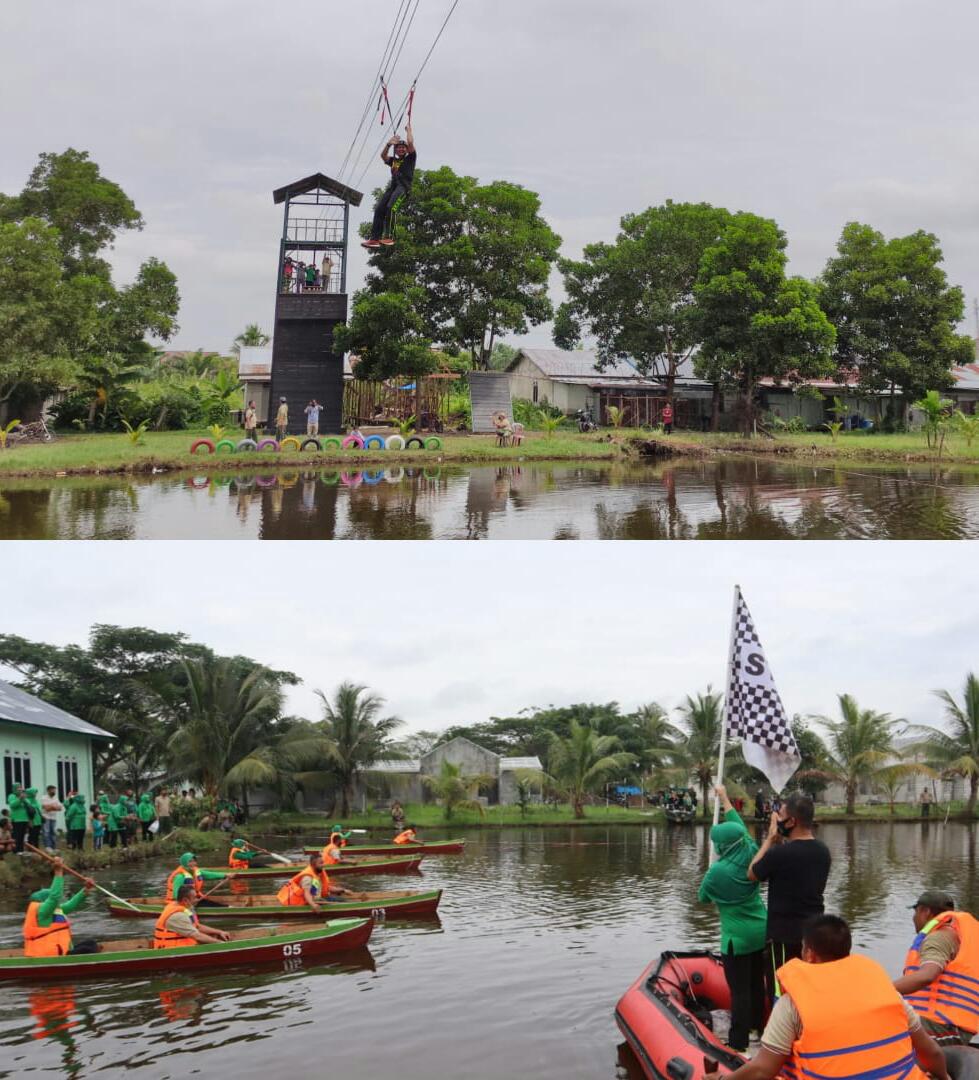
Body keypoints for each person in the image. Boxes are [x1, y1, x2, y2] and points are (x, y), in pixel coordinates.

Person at [704, 915, 948, 1080]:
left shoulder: (793, 1004)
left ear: (808, 953)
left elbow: (762, 1070)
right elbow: (933, 1053)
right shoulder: (887, 992)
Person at [697, 785, 767, 1052]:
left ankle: (739, 1044)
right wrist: (724, 796)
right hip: (761, 931)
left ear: (722, 846)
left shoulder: (717, 873)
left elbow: (703, 898)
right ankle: (760, 1031)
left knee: (740, 992)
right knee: (756, 987)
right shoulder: (751, 850)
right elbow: (736, 824)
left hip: (736, 940)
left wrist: (709, 872)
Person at [748, 791, 832, 1006]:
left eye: (781, 814)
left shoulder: (780, 854)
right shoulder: (823, 852)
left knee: (781, 990)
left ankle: (781, 1036)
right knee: (808, 990)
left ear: (792, 821)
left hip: (783, 936)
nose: (777, 818)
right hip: (813, 934)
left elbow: (752, 874)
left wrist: (770, 839)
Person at [894, 889, 979, 1045]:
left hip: (938, 1025)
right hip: (957, 1028)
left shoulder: (938, 938)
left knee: (872, 1025)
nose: (913, 918)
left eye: (915, 912)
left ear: (925, 912)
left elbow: (927, 975)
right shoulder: (962, 937)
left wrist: (882, 991)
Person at [23, 857, 99, 957]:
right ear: (45, 901)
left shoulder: (54, 909)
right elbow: (54, 897)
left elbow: (71, 905)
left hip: (61, 950)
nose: (58, 901)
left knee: (91, 943)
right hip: (50, 954)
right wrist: (58, 872)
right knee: (89, 949)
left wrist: (86, 889)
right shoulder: (42, 911)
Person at [363, 122, 416, 249]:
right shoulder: (394, 161)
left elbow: (410, 143)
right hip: (393, 188)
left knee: (391, 207)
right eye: (398, 148)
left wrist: (409, 130)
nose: (401, 149)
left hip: (403, 188)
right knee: (379, 209)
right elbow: (383, 156)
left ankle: (390, 237)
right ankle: (375, 239)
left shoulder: (410, 158)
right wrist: (388, 144)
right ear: (396, 150)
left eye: (403, 148)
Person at [153, 882, 231, 949]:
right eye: (194, 898)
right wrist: (222, 944)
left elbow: (197, 926)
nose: (197, 900)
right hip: (172, 950)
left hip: (185, 945)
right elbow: (197, 936)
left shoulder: (184, 907)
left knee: (212, 937)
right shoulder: (178, 916)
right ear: (185, 900)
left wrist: (220, 932)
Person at [276, 851, 350, 911]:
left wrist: (343, 890)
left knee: (342, 900)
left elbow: (327, 888)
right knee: (342, 903)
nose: (323, 865)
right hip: (309, 901)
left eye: (323, 862)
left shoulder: (318, 873)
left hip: (317, 898)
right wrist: (313, 905)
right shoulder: (307, 877)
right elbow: (306, 893)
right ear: (313, 865)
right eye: (320, 863)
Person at [7, 784, 30, 853]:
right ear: (14, 789)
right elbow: (12, 805)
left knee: (22, 835)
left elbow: (28, 804)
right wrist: (20, 799)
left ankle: (21, 849)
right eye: (18, 788)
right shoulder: (11, 796)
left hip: (24, 819)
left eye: (20, 788)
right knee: (17, 835)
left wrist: (24, 799)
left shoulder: (23, 796)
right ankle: (16, 850)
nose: (20, 789)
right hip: (16, 819)